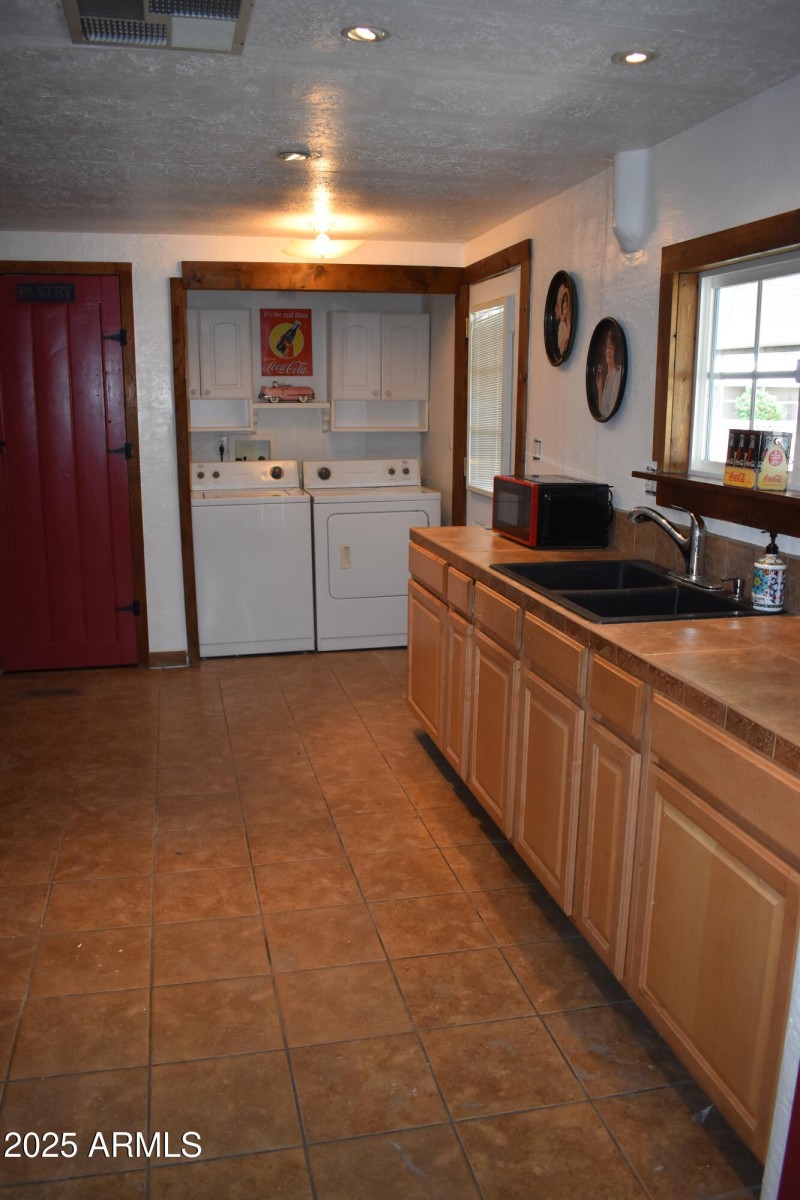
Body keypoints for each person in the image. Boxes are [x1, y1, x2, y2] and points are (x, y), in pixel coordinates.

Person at [594, 325, 624, 418]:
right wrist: (599, 388)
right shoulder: (607, 376)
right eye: (607, 347)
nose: (608, 351)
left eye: (611, 348)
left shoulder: (618, 375)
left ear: (616, 351)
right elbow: (602, 412)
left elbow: (609, 412)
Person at [556, 287, 572, 357]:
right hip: (561, 327)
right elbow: (561, 317)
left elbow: (569, 326)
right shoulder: (561, 315)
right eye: (564, 301)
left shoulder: (567, 315)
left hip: (565, 328)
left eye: (566, 301)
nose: (565, 303)